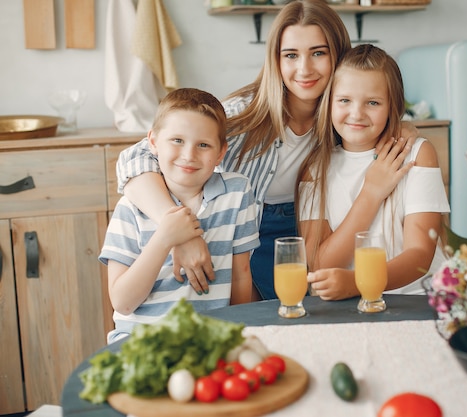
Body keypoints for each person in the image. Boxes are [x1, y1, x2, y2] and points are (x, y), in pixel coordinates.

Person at [115, 0, 418, 300]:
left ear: (338, 55)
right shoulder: (241, 114)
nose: (304, 68)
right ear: (275, 59)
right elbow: (133, 160)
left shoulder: (346, 118)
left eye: (318, 53)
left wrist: (401, 126)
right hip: (249, 236)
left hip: (321, 235)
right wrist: (178, 229)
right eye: (290, 55)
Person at [100, 88, 259, 343]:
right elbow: (122, 302)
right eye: (177, 141)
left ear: (220, 153)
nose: (189, 155)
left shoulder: (237, 193)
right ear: (152, 142)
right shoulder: (130, 207)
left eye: (203, 145)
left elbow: (241, 275)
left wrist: (238, 335)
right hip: (140, 341)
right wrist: (165, 237)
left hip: (209, 339)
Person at [298, 44, 450, 300]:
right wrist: (371, 192)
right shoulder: (315, 169)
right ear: (329, 103)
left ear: (393, 106)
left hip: (416, 299)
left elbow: (420, 255)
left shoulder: (416, 154)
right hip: (350, 304)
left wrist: (361, 282)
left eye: (373, 102)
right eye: (344, 100)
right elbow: (320, 264)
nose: (356, 113)